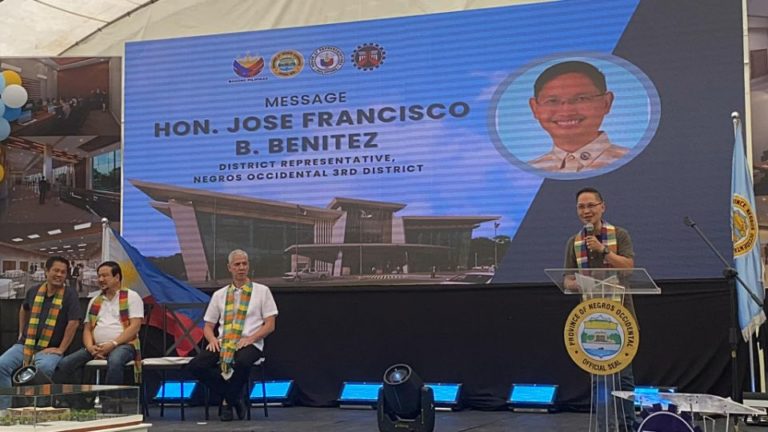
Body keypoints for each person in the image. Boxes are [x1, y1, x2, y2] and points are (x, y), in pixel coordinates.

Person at [565, 187, 636, 431]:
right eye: (581, 207)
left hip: (620, 315)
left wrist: (603, 250)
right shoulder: (573, 243)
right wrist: (581, 283)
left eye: (591, 205)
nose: (586, 211)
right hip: (591, 316)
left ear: (602, 207)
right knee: (599, 378)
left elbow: (628, 268)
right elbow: (566, 280)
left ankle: (628, 425)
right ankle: (605, 426)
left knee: (623, 376)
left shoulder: (620, 235)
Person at [187, 249, 278, 422]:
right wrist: (212, 339)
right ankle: (234, 398)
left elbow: (270, 325)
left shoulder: (262, 291)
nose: (241, 267)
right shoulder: (219, 295)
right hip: (224, 341)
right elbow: (208, 326)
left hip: (251, 341)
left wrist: (250, 339)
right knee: (196, 366)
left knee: (243, 362)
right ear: (229, 267)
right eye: (237, 264)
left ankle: (228, 404)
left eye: (245, 264)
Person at [0, 256, 81, 412]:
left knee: (42, 368)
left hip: (51, 348)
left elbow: (74, 323)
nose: (59, 275)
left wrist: (61, 349)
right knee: (1, 365)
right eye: (56, 270)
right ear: (46, 272)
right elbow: (24, 309)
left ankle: (39, 412)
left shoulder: (70, 294)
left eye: (63, 272)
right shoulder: (33, 291)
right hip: (26, 344)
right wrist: (21, 334)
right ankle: (4, 410)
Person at [528, 61, 629, 173]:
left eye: (581, 99)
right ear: (534, 108)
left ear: (606, 103)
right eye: (552, 101)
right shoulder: (529, 172)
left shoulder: (633, 161)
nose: (566, 111)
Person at [54, 261, 143, 387]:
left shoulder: (132, 296)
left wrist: (112, 344)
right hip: (96, 347)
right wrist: (90, 348)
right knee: (65, 364)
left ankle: (110, 403)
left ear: (117, 277)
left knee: (115, 361)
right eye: (99, 276)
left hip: (124, 345)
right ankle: (79, 400)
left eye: (105, 276)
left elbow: (135, 327)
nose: (100, 279)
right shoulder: (95, 300)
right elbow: (87, 329)